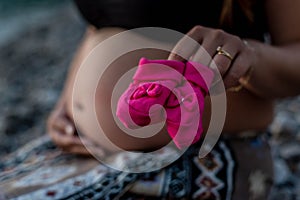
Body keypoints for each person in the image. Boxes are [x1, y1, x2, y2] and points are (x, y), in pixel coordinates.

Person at [47, 0, 300, 199]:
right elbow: (103, 21)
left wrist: (248, 56)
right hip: (90, 150)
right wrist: (68, 97)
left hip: (209, 155)